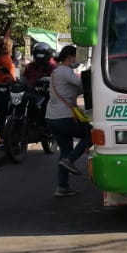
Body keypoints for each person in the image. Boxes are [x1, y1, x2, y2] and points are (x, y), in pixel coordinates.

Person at [45, 44, 92, 198]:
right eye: (75, 57)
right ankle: (71, 160)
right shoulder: (65, 71)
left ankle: (62, 187)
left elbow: (75, 89)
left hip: (52, 117)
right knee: (91, 134)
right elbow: (81, 84)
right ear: (70, 57)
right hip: (63, 117)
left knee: (64, 152)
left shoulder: (57, 72)